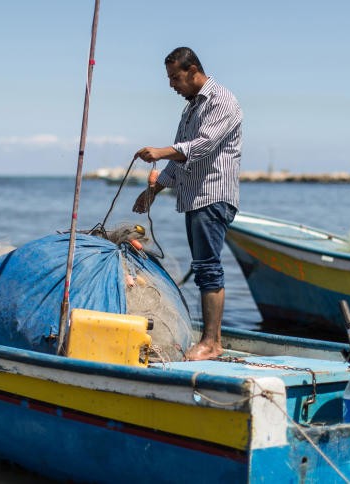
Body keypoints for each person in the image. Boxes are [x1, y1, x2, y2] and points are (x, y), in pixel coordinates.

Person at [132, 46, 242, 361]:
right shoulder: (191, 108)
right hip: (195, 198)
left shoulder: (221, 100)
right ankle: (210, 338)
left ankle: (212, 343)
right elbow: (181, 159)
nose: (171, 85)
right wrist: (154, 191)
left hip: (213, 196)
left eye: (175, 78)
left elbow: (202, 146)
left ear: (193, 71)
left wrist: (161, 151)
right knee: (202, 266)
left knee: (208, 267)